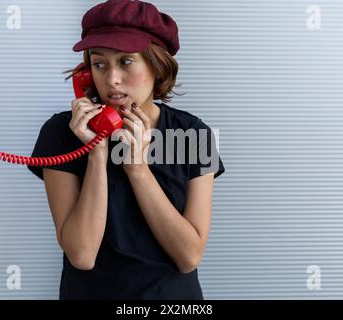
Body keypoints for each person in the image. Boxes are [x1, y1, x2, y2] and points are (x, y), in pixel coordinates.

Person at [27, 0, 225, 300]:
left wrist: (137, 169)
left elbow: (189, 256)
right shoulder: (60, 134)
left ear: (157, 66)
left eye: (126, 61)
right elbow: (82, 254)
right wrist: (96, 151)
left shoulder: (194, 134)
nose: (111, 79)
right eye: (99, 63)